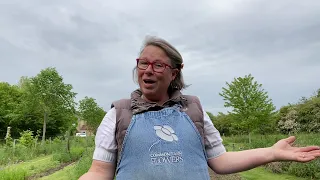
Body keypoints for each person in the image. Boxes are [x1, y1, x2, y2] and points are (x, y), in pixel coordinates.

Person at [79, 36, 320, 180]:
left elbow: (221, 161)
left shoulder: (193, 110)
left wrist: (272, 153)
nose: (148, 70)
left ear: (174, 73)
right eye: (143, 63)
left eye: (158, 65)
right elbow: (99, 171)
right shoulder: (118, 114)